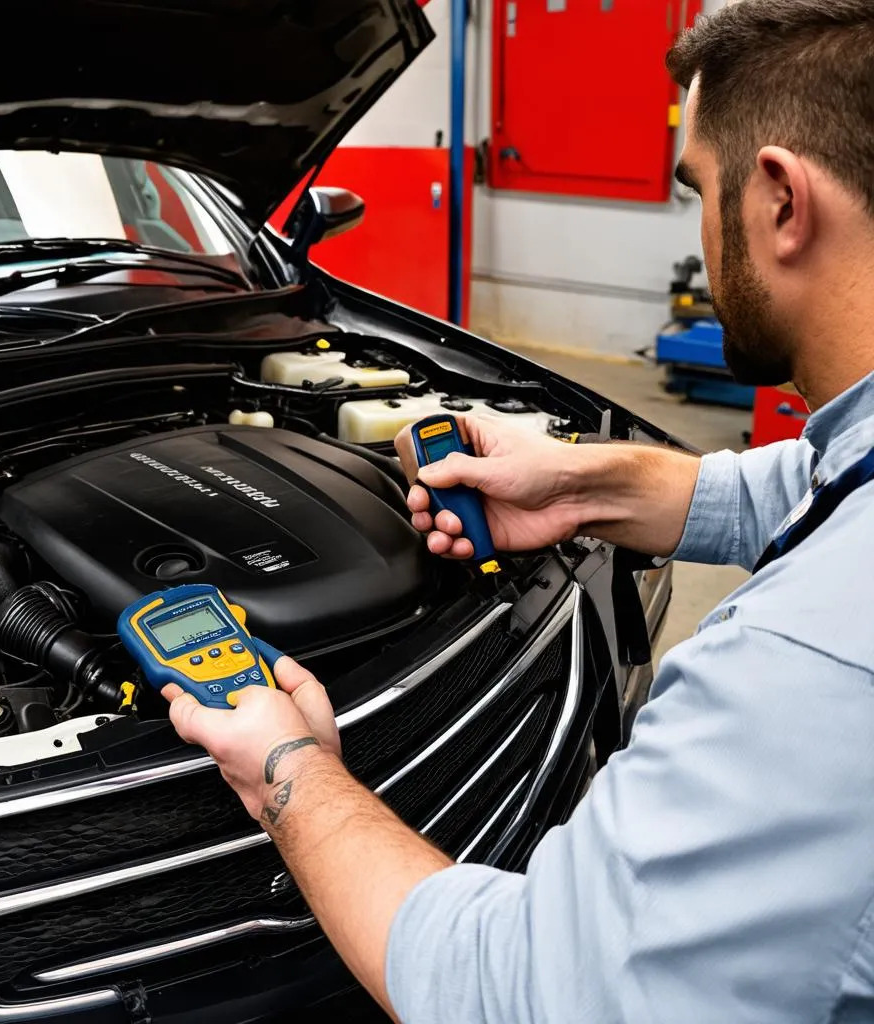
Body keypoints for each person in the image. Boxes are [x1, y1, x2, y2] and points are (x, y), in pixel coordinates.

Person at [162, 1, 874, 1020]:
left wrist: (291, 772)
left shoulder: (812, 670)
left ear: (779, 201)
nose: (698, 230)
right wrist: (584, 481)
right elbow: (815, 482)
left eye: (696, 192)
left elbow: (525, 993)